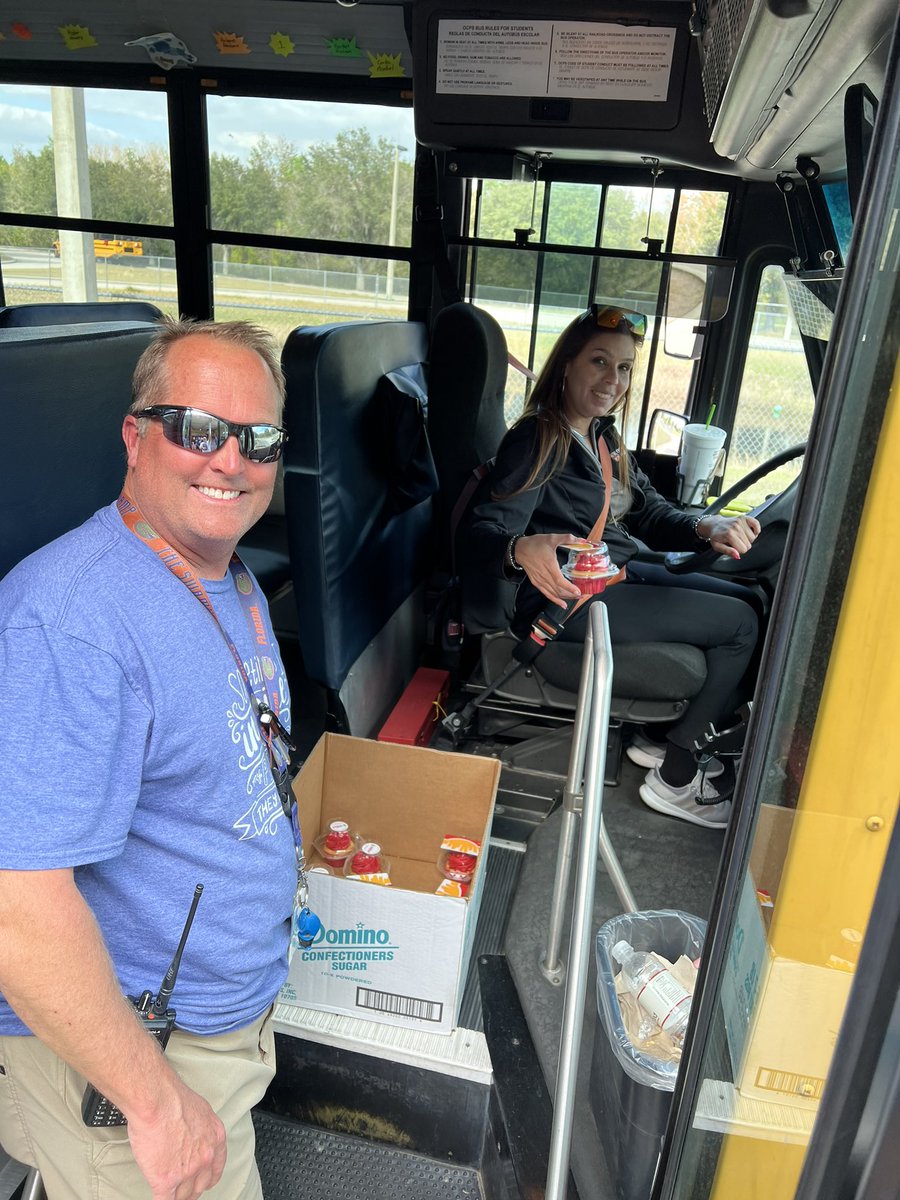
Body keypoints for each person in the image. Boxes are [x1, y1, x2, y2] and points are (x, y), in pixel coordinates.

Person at [0, 318, 300, 1200]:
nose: (230, 461)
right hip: (136, 1062)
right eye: (198, 429)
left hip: (211, 1029)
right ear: (135, 437)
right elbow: (18, 908)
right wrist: (157, 1104)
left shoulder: (222, 572)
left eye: (259, 439)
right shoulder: (71, 621)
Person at [463, 306, 761, 829]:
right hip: (568, 603)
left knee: (752, 597)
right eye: (599, 362)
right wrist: (519, 549)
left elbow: (648, 512)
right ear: (567, 366)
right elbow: (481, 533)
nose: (613, 380)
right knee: (741, 625)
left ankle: (659, 739)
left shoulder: (603, 437)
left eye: (623, 368)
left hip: (616, 572)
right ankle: (677, 776)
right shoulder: (539, 439)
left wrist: (705, 526)